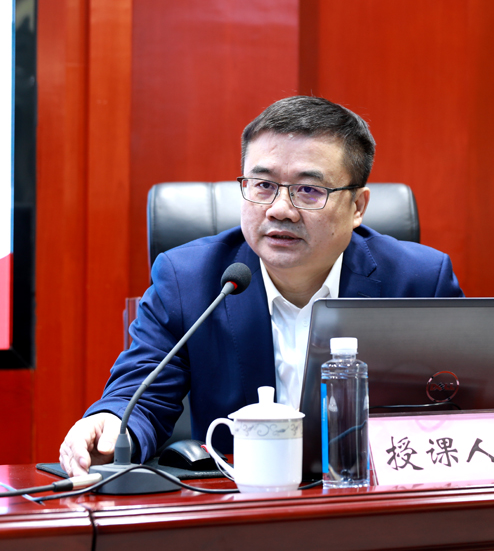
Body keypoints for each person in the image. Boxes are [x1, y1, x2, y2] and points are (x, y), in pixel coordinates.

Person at [59, 96, 463, 476]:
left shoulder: (419, 280)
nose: (280, 210)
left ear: (357, 207)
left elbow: (461, 410)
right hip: (241, 505)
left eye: (309, 190)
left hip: (370, 503)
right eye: (263, 185)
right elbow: (141, 394)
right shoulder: (189, 280)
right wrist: (111, 423)